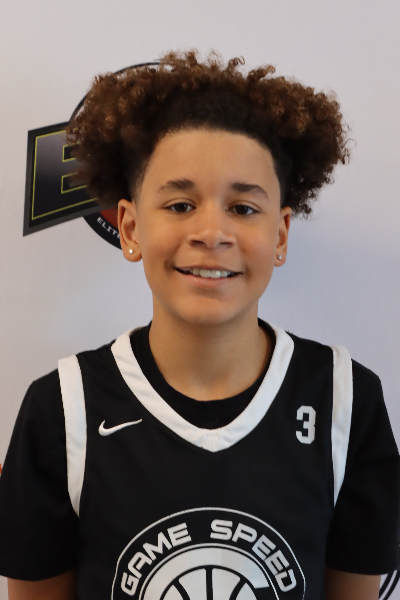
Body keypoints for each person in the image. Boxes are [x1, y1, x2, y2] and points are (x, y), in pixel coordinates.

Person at [0, 49, 399, 600]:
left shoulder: (346, 401)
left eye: (243, 208)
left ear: (281, 236)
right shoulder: (61, 409)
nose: (211, 232)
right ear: (130, 228)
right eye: (180, 205)